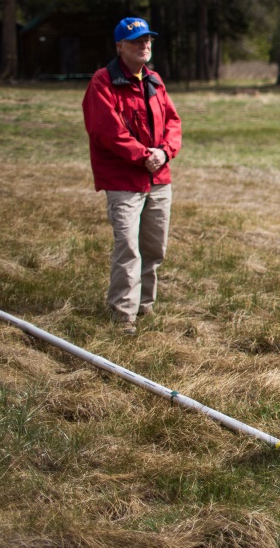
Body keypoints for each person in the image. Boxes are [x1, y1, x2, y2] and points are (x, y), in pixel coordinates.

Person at [83, 17, 182, 335]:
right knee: (128, 246)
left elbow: (173, 122)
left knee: (154, 248)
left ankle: (144, 307)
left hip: (158, 178)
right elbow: (107, 132)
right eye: (137, 41)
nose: (145, 45)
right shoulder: (103, 82)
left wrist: (165, 152)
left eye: (148, 40)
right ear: (120, 47)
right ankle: (123, 315)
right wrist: (145, 156)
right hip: (123, 181)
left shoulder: (154, 80)